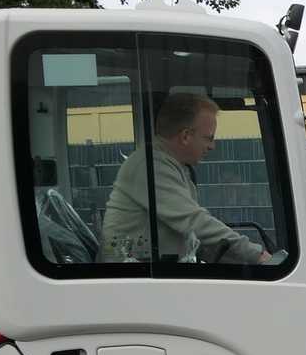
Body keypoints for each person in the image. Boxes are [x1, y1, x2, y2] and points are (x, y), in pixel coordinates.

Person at [101, 93, 270, 264]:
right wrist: (258, 255)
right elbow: (194, 222)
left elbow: (191, 239)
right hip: (129, 276)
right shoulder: (150, 166)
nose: (212, 146)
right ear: (185, 136)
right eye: (209, 138)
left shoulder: (172, 165)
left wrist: (238, 259)